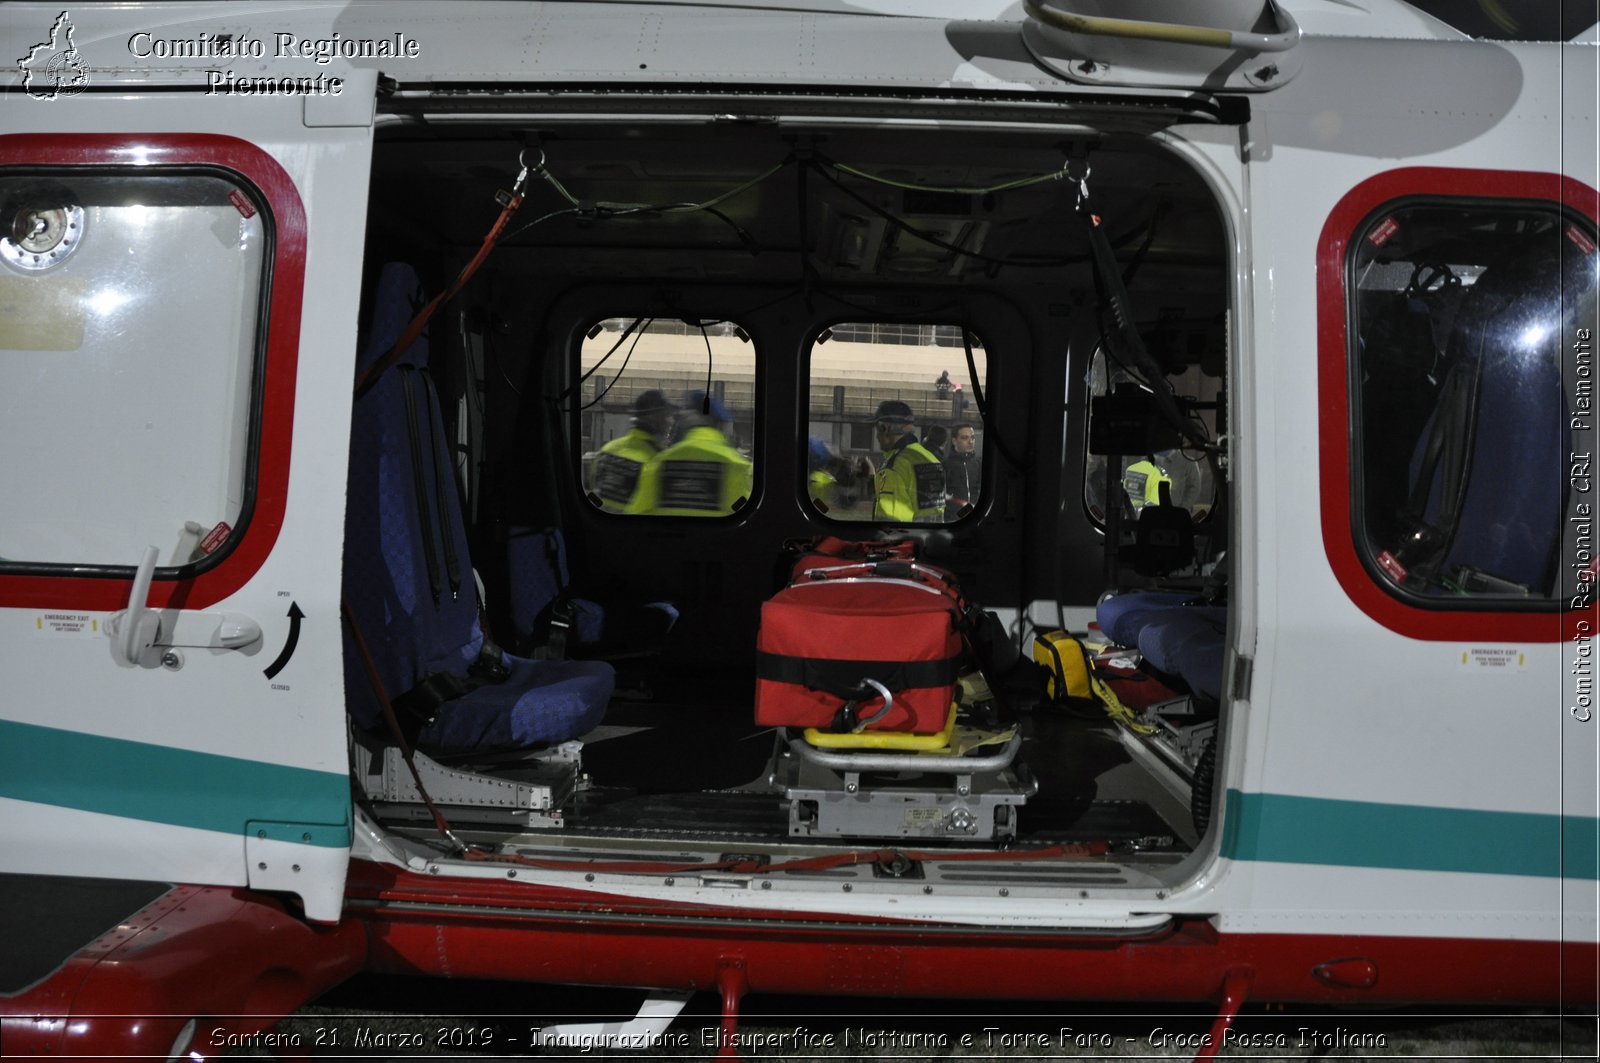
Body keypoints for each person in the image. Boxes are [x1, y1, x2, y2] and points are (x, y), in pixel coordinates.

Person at [628, 391, 753, 516]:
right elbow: (746, 516)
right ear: (720, 425)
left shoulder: (659, 462)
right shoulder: (735, 465)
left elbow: (637, 513)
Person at [855, 399, 944, 523]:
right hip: (932, 538)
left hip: (905, 541)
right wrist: (872, 478)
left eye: (877, 430)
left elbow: (890, 523)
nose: (877, 436)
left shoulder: (896, 464)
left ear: (884, 428)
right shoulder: (930, 458)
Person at [589, 390, 675, 512]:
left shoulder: (607, 450)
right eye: (666, 415)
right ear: (654, 418)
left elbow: (594, 485)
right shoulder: (657, 460)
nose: (669, 421)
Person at [943, 422, 980, 519]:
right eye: (965, 438)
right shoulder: (945, 465)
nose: (970, 441)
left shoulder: (979, 464)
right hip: (954, 520)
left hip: (976, 518)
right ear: (954, 441)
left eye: (972, 437)